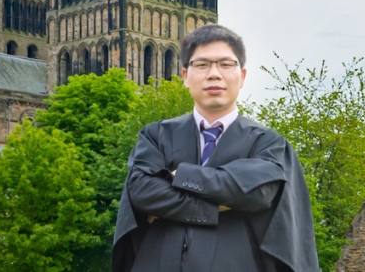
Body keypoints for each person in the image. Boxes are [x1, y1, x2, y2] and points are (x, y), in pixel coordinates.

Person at [112, 24, 318, 272]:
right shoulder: (156, 136)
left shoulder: (267, 143)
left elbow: (257, 194)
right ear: (185, 76)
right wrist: (222, 204)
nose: (214, 74)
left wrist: (183, 177)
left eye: (225, 64)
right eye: (202, 65)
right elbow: (142, 191)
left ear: (241, 76)